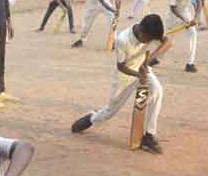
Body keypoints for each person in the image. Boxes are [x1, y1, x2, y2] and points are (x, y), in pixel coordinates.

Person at [70, 13, 168, 154]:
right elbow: (121, 67)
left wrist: (148, 61)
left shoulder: (151, 28)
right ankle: (92, 117)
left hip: (142, 69)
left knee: (157, 90)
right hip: (125, 77)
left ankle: (149, 135)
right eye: (148, 39)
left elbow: (168, 42)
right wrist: (138, 75)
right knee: (110, 111)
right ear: (141, 30)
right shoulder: (123, 40)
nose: (149, 42)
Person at [166, 0, 200, 73]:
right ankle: (156, 58)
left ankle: (190, 64)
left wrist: (195, 18)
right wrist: (184, 20)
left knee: (193, 34)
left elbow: (199, 2)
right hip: (173, 15)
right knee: (166, 38)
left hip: (185, 13)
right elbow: (173, 9)